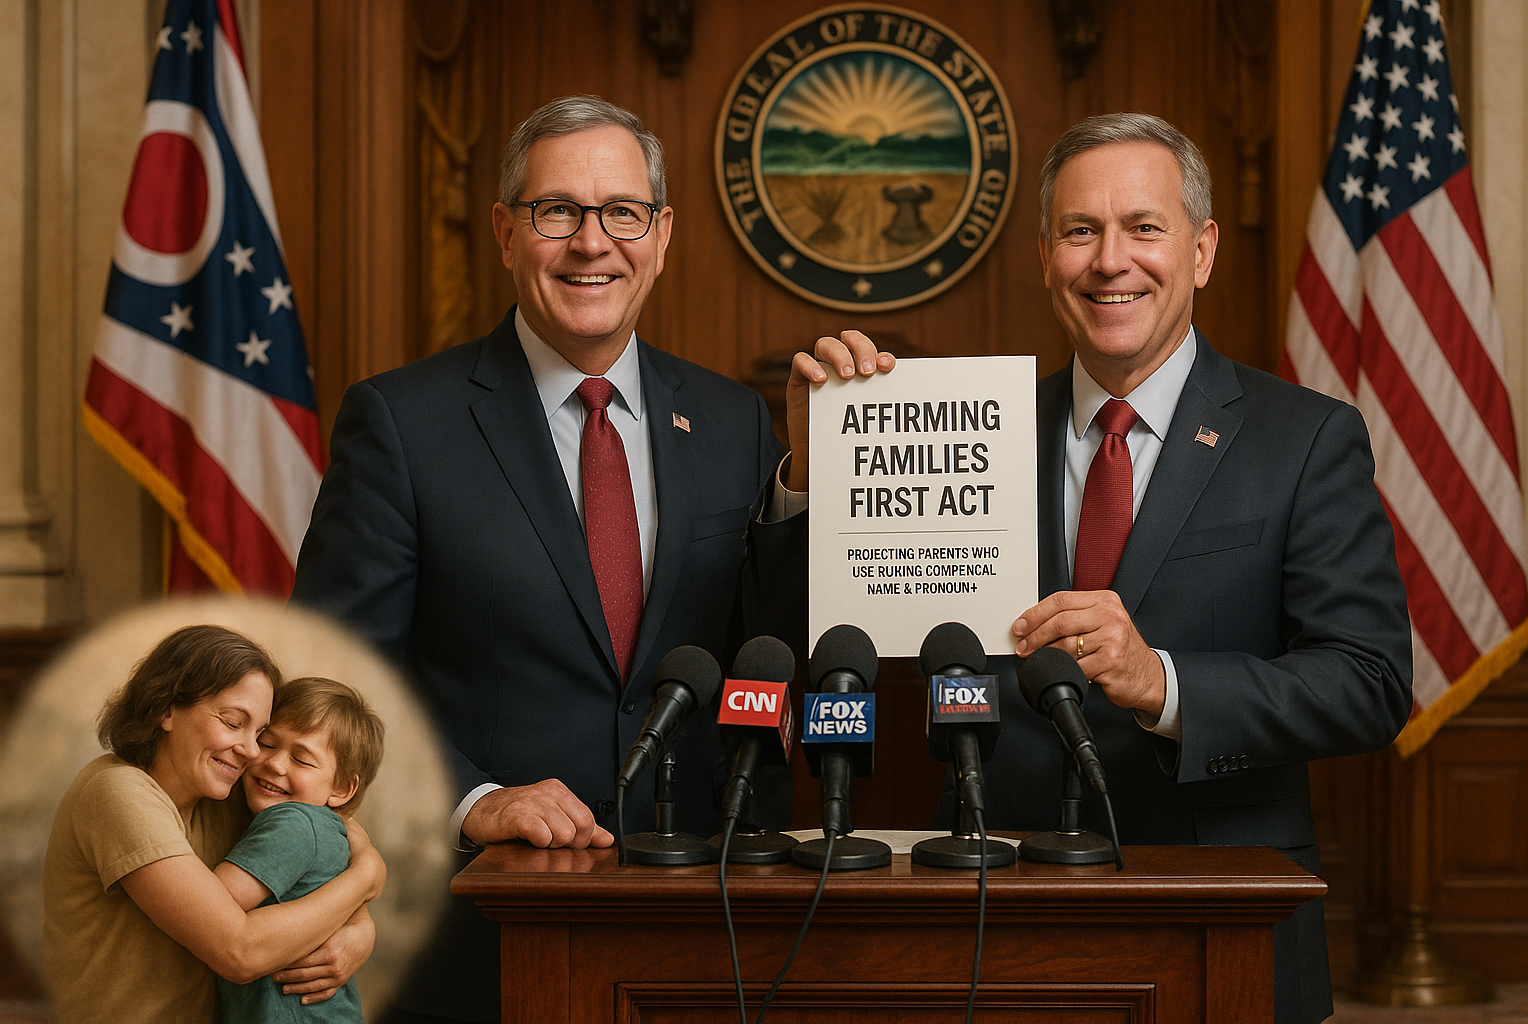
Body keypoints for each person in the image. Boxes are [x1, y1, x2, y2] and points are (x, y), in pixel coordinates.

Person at [792, 113, 1412, 1024]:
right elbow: (804, 626)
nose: (1110, 260)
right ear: (1046, 256)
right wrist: (824, 465)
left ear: (1201, 250)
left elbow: (1369, 681)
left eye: (1144, 228)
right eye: (1081, 232)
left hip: (1214, 917)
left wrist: (1158, 680)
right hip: (979, 917)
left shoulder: (1306, 439)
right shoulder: (968, 429)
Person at [290, 95, 804, 1024]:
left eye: (622, 212)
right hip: (479, 924)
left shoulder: (735, 422)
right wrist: (474, 800)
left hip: (706, 919)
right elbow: (330, 681)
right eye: (556, 210)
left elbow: (762, 650)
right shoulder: (404, 423)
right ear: (505, 231)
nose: (591, 242)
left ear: (662, 233)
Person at [43, 624, 386, 1024]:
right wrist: (366, 878)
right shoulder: (116, 792)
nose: (252, 750)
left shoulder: (231, 791)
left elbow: (334, 832)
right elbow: (239, 952)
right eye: (232, 721)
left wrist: (361, 932)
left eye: (260, 733)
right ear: (165, 709)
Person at [214, 677, 386, 1023]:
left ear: (341, 788)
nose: (276, 764)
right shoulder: (330, 828)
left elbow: (214, 902)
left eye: (302, 760)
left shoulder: (294, 822)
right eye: (267, 743)